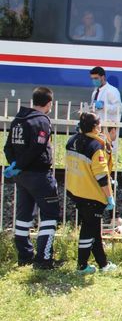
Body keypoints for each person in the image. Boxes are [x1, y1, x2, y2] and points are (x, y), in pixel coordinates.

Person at [3, 87, 61, 269]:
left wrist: (14, 165)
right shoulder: (41, 121)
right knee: (50, 215)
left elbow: (7, 147)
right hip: (39, 175)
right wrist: (19, 164)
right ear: (49, 103)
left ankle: (25, 256)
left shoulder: (18, 120)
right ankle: (44, 260)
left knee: (23, 216)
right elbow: (37, 148)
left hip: (22, 177)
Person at [65, 112, 117, 274]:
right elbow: (101, 176)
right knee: (89, 230)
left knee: (93, 230)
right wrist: (109, 197)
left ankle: (103, 264)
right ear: (95, 127)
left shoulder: (72, 141)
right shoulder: (95, 147)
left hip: (76, 190)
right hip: (91, 195)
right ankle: (82, 266)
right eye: (100, 124)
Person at [89, 66, 122, 151]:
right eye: (92, 79)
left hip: (108, 128)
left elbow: (119, 108)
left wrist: (104, 106)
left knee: (108, 152)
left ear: (103, 77)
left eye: (96, 78)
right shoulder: (95, 92)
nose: (94, 81)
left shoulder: (112, 91)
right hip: (97, 128)